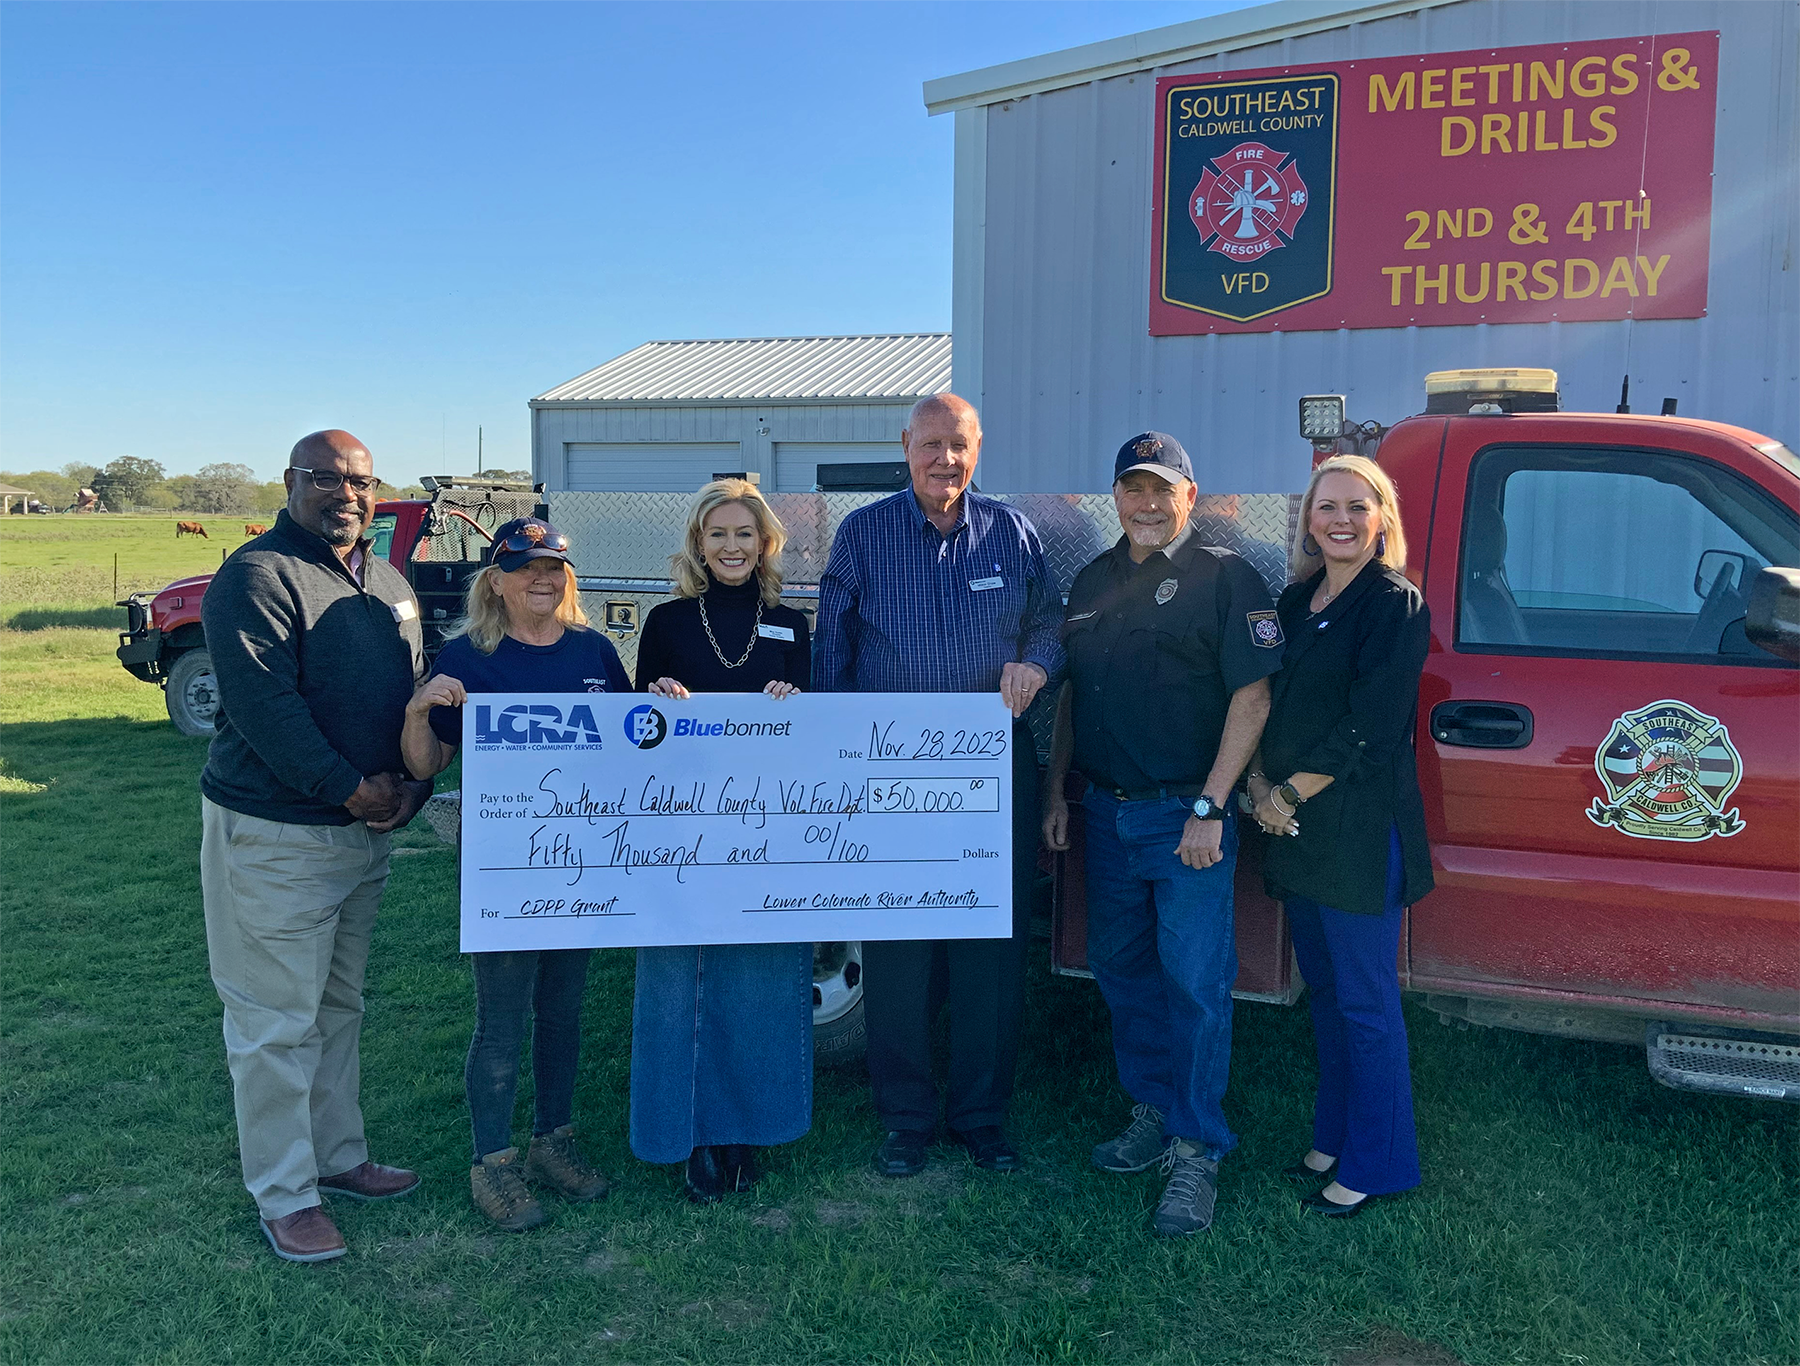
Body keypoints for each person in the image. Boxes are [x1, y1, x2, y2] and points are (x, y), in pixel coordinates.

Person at [814, 392, 1065, 1178]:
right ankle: (907, 1118)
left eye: (958, 446)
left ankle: (982, 1118)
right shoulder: (863, 535)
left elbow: (1052, 622)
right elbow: (834, 649)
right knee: (899, 949)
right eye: (930, 445)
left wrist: (1038, 663)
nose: (943, 460)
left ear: (977, 450)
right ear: (905, 446)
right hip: (891, 773)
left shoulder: (1013, 534)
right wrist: (836, 762)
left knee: (992, 945)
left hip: (992, 770)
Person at [199, 429, 432, 1263]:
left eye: (362, 482)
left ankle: (337, 1159)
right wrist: (348, 786)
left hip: (362, 834)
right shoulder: (256, 576)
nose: (348, 495)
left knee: (337, 1008)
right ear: (290, 481)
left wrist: (417, 784)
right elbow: (267, 711)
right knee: (273, 1020)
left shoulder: (389, 579)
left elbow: (414, 697)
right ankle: (285, 1192)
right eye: (327, 479)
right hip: (278, 833)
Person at [1042, 432, 1279, 1236]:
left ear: (1190, 494)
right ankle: (1153, 1109)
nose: (1146, 504)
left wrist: (1212, 809)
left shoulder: (1225, 577)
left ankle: (1197, 1150)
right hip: (1104, 814)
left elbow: (1253, 700)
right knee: (1124, 971)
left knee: (1195, 982)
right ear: (1115, 497)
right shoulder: (1089, 580)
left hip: (1187, 822)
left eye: (1161, 489)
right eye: (1132, 489)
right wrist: (1055, 791)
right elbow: (1074, 699)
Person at [400, 517, 628, 1232]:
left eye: (554, 567)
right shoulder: (468, 657)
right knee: (501, 1018)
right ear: (494, 580)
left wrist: (667, 709)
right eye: (525, 565)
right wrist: (416, 710)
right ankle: (491, 1163)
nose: (541, 577)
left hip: (581, 863)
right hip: (505, 870)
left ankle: (553, 1141)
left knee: (563, 1009)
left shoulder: (595, 652)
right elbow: (422, 765)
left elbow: (634, 748)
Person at [1247, 454, 1434, 1218]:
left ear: (1382, 518)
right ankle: (1334, 1136)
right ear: (1308, 519)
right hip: (1294, 826)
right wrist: (1259, 787)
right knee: (1325, 994)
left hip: (1357, 831)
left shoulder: (1396, 604)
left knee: (1364, 1002)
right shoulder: (1295, 601)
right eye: (1328, 507)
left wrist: (1284, 793)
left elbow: (1371, 728)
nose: (1342, 521)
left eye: (1359, 507)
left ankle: (1380, 1162)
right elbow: (1259, 697)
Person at [630, 479, 814, 1202]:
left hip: (765, 826)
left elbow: (808, 735)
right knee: (682, 980)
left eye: (745, 534)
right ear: (698, 545)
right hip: (680, 825)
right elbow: (639, 733)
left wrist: (794, 705)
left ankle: (747, 1131)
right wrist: (654, 699)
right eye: (718, 535)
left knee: (758, 979)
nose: (732, 547)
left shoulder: (792, 625)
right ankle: (689, 1135)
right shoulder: (668, 621)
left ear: (764, 543)